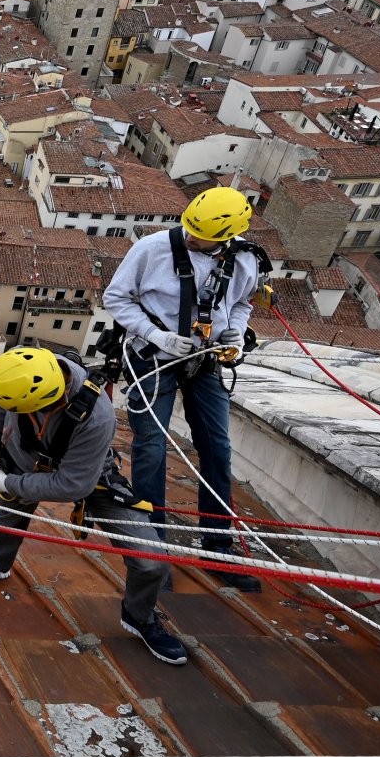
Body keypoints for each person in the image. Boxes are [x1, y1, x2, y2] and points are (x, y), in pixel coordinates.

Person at [0, 347, 188, 665]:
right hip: (23, 458)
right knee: (5, 521)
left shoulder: (96, 417)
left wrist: (6, 483)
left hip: (87, 472)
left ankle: (140, 616)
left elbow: (72, 485)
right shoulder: (20, 371)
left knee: (151, 560)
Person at [101, 186, 266, 592]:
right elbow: (116, 297)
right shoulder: (152, 250)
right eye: (189, 228)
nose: (191, 238)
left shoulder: (245, 259)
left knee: (218, 449)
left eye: (201, 236)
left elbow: (243, 302)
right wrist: (155, 335)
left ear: (229, 235)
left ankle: (217, 549)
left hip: (206, 358)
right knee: (151, 447)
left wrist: (235, 332)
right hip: (153, 358)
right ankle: (151, 555)